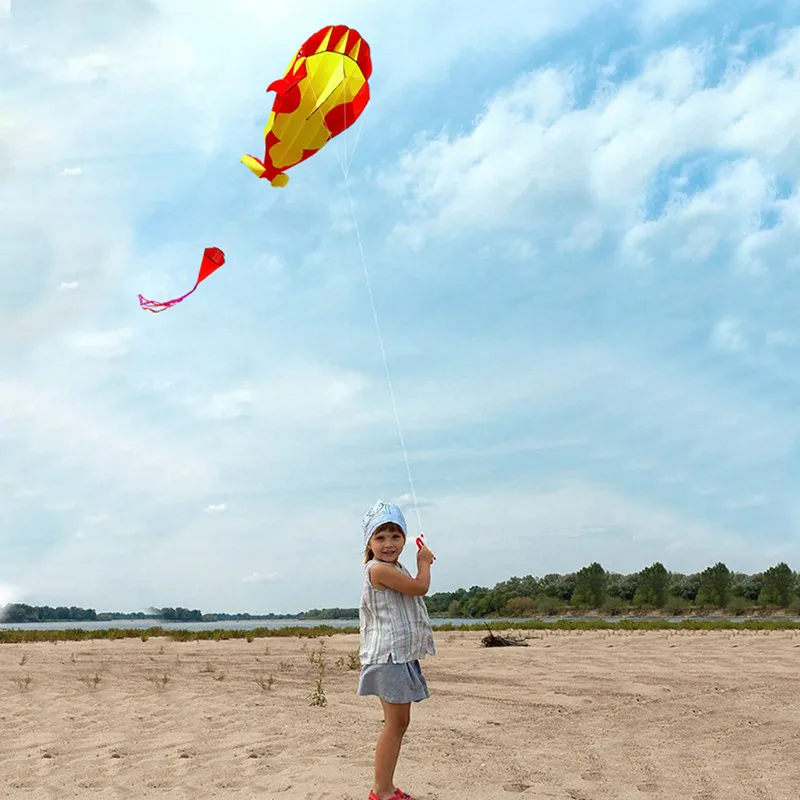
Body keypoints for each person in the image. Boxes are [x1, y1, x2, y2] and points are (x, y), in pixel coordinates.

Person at [358, 500, 437, 800]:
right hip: (388, 657)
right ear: (369, 541)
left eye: (395, 536)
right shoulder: (378, 569)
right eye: (380, 537)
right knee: (395, 725)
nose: (388, 544)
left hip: (398, 656)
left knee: (399, 723)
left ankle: (385, 788)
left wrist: (419, 563)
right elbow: (420, 587)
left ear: (404, 537)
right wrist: (424, 563)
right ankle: (382, 791)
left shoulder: (391, 567)